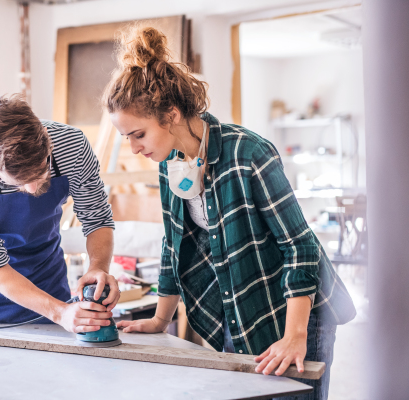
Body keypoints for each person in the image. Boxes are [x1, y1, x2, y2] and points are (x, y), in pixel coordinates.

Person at [106, 27, 356, 399]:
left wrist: (294, 336)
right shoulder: (170, 163)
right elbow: (172, 243)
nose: (133, 148)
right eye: (127, 137)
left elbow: (300, 246)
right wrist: (161, 318)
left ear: (171, 115)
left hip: (297, 313)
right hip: (241, 307)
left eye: (138, 134)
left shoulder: (249, 154)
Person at [0, 95, 119, 334]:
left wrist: (98, 266)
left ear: (47, 138)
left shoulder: (72, 146)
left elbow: (96, 218)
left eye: (40, 172)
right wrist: (59, 312)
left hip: (46, 284)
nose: (33, 190)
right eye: (19, 183)